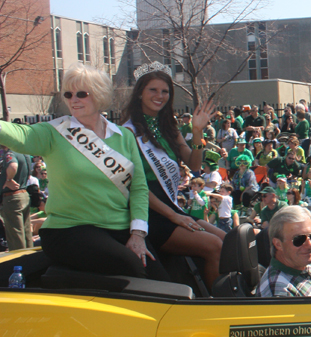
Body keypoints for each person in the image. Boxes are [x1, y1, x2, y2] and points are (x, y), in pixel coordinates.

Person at [0, 63, 169, 280]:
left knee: (163, 280)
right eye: (68, 94)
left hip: (120, 228)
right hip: (68, 230)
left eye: (82, 94)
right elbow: (19, 134)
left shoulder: (124, 137)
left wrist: (138, 233)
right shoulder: (53, 133)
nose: (73, 100)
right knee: (133, 269)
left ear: (99, 95)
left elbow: (138, 188)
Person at [122, 62, 224, 290]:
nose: (159, 96)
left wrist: (197, 134)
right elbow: (134, 186)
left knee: (226, 241)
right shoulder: (128, 132)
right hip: (151, 213)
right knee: (213, 246)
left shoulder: (168, 127)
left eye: (165, 91)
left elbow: (194, 164)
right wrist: (173, 216)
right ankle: (217, 304)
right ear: (140, 92)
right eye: (153, 90)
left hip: (172, 208)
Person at [256, 205, 311, 297]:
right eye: (299, 239)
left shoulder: (305, 268)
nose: (310, 245)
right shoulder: (280, 291)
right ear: (278, 244)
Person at [0, 146, 33, 250]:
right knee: (26, 232)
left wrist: (9, 179)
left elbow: (13, 165)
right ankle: (29, 260)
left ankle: (19, 263)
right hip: (24, 194)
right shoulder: (24, 153)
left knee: (15, 235)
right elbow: (29, 173)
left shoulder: (10, 153)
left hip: (12, 197)